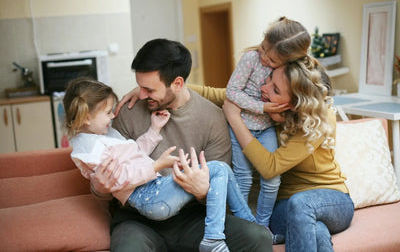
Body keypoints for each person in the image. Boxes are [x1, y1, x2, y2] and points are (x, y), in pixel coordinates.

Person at [89, 39, 272, 252]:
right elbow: (108, 179)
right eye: (139, 87)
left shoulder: (212, 118)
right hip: (138, 220)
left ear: (177, 84)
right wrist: (100, 189)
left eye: (149, 89)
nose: (140, 95)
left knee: (257, 237)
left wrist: (203, 192)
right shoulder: (127, 114)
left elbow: (219, 188)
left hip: (192, 219)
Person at [63, 77, 259, 252]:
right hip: (147, 199)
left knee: (222, 171)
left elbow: (134, 153)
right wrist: (156, 166)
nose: (113, 116)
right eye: (107, 112)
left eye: (149, 89)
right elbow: (121, 178)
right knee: (217, 169)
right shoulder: (89, 147)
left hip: (175, 208)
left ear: (177, 83)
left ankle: (247, 224)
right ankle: (213, 238)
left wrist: (154, 130)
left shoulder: (102, 135)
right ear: (87, 118)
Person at [192, 56, 354, 251]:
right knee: (316, 231)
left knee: (301, 204)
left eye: (275, 89)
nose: (264, 88)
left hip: (332, 200)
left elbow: (270, 168)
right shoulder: (261, 104)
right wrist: (168, 87)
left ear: (296, 104)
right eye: (268, 79)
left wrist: (234, 118)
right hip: (284, 206)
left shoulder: (318, 119)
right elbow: (212, 93)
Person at [225, 17, 309, 230]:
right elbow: (231, 92)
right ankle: (243, 227)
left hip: (266, 129)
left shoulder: (287, 73)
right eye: (263, 48)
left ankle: (262, 226)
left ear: (286, 62)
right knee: (243, 178)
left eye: (271, 60)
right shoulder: (251, 59)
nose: (264, 58)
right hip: (241, 127)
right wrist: (261, 108)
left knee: (272, 181)